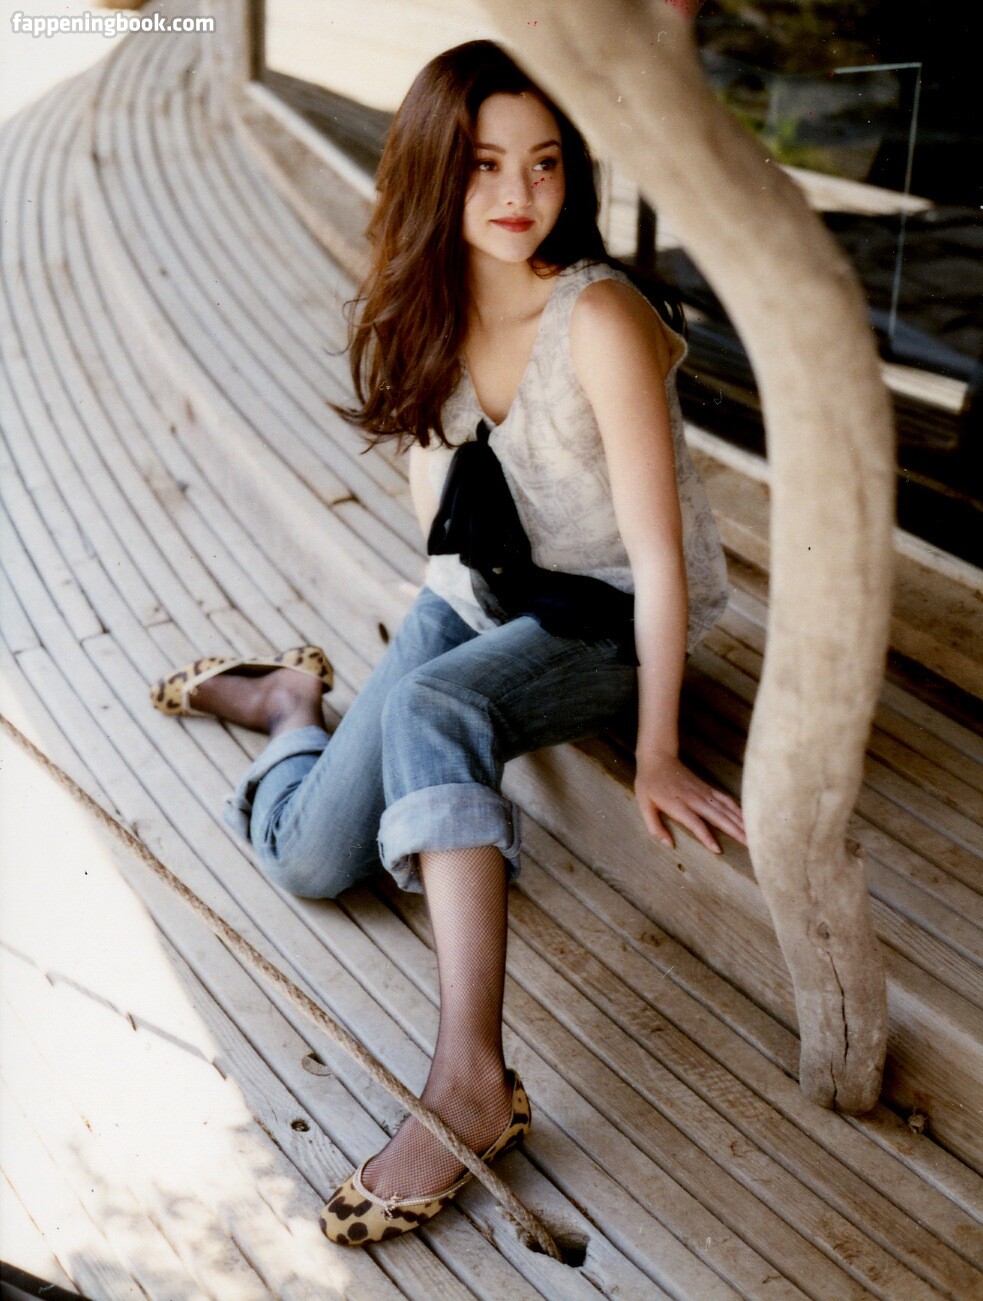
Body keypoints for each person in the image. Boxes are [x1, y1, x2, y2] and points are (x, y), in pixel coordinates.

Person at [149, 39, 747, 1245]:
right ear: (434, 171)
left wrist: (655, 749)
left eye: (544, 162)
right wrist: (440, 625)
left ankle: (469, 1080)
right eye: (483, 164)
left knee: (436, 711)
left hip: (605, 616)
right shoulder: (425, 303)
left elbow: (660, 559)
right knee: (310, 857)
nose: (519, 192)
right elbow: (446, 507)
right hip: (479, 594)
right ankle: (289, 705)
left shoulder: (599, 318)